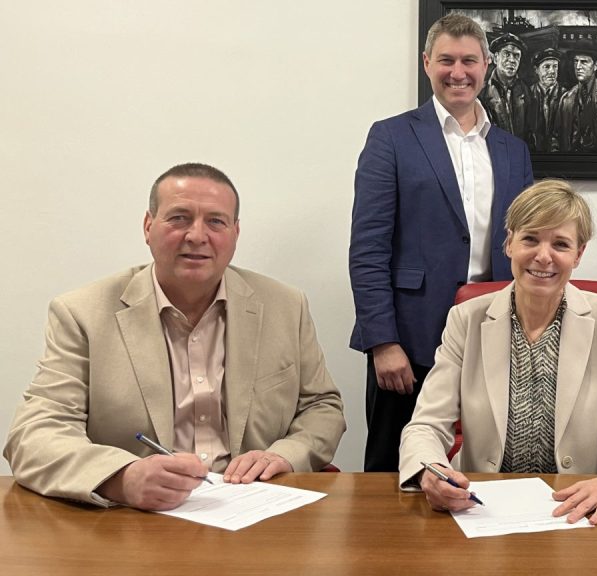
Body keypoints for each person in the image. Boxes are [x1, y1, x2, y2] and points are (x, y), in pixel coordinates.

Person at [3, 163, 346, 511]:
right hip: (137, 520)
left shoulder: (286, 306)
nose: (197, 235)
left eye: (216, 221)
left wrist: (286, 455)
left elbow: (322, 407)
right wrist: (121, 477)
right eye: (179, 218)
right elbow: (34, 434)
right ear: (148, 227)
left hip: (256, 509)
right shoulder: (82, 313)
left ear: (235, 233)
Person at [399, 179, 597, 525]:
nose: (543, 256)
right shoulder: (466, 318)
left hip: (577, 508)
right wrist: (430, 472)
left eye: (560, 244)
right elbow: (425, 426)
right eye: (530, 238)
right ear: (509, 243)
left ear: (578, 254)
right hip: (482, 510)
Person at [350, 14, 533, 472]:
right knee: (397, 470)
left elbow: (528, 246)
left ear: (486, 65)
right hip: (409, 342)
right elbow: (368, 249)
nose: (458, 72)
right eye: (447, 60)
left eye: (469, 60)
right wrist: (382, 342)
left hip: (494, 334)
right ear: (427, 63)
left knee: (484, 467)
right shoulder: (391, 137)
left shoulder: (513, 150)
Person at [550, 42, 597, 152]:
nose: (578, 67)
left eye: (584, 62)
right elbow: (556, 137)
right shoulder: (566, 99)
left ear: (595, 66)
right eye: (576, 61)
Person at [479, 33, 531, 141]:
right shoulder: (482, 93)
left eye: (516, 56)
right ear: (496, 58)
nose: (512, 60)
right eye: (507, 54)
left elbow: (530, 133)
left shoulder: (525, 91)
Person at [525, 48, 565, 152]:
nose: (552, 71)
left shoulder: (566, 96)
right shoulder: (527, 95)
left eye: (555, 67)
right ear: (536, 70)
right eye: (546, 67)